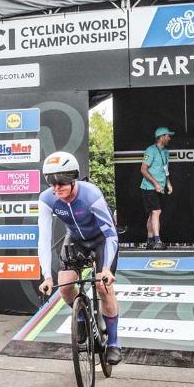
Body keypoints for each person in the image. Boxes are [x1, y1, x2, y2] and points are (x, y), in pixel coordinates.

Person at [37, 151, 122, 365]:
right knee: (64, 286)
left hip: (101, 240)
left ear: (73, 178)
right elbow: (44, 239)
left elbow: (111, 234)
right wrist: (47, 275)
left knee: (103, 287)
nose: (57, 189)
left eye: (61, 183)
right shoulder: (47, 199)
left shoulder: (90, 194)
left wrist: (106, 270)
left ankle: (113, 343)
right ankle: (82, 318)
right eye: (52, 184)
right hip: (76, 239)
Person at [140, 126, 174, 250]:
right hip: (149, 188)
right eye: (168, 136)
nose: (169, 138)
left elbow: (166, 170)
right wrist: (155, 183)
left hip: (160, 187)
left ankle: (149, 240)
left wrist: (168, 183)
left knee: (152, 214)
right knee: (156, 212)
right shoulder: (150, 150)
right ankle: (157, 241)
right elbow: (143, 169)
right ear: (161, 137)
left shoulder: (166, 152)